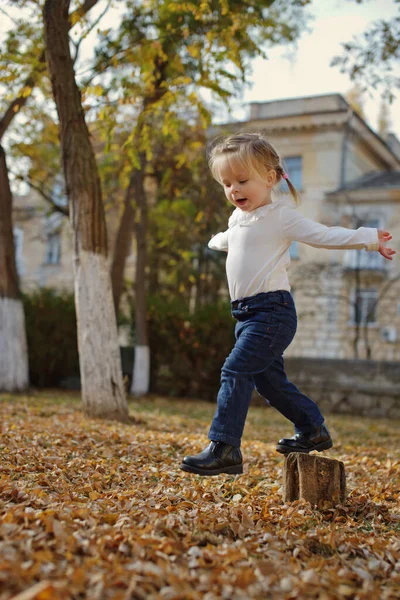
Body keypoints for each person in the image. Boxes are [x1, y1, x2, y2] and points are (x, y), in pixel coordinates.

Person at [180, 132, 396, 477]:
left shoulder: (281, 216)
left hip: (273, 313)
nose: (234, 190)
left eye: (241, 180)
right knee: (269, 383)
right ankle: (312, 429)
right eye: (226, 183)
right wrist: (216, 240)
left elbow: (325, 236)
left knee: (234, 370)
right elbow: (232, 238)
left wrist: (369, 239)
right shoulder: (239, 219)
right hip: (247, 316)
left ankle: (224, 447)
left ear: (269, 178)